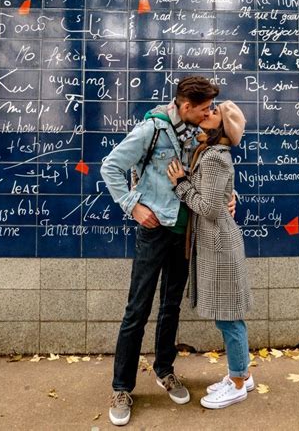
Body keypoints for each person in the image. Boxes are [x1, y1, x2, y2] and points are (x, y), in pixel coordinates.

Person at [100, 76, 220, 426]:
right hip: (154, 232)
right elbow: (111, 166)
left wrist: (229, 198)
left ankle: (165, 370)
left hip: (186, 234)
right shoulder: (152, 129)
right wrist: (132, 205)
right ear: (185, 107)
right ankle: (122, 387)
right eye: (203, 108)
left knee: (170, 307)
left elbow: (215, 172)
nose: (209, 113)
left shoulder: (201, 133)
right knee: (137, 309)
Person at [167, 100, 253, 410]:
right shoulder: (206, 150)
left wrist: (180, 185)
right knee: (229, 317)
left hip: (219, 246)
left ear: (221, 128)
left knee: (229, 319)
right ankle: (241, 373)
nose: (208, 112)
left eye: (214, 112)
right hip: (216, 244)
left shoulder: (215, 158)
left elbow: (211, 208)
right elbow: (220, 197)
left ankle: (239, 383)